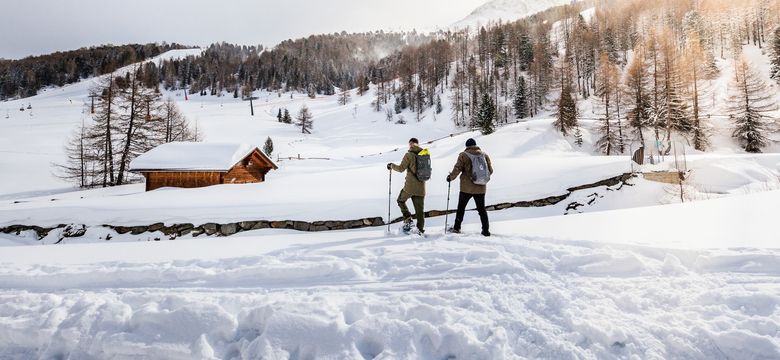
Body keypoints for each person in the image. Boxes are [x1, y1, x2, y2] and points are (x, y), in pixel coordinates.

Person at [446, 138, 493, 236]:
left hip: (466, 188)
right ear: (475, 145)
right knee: (482, 210)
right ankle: (485, 230)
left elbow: (457, 169)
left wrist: (450, 177)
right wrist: (480, 178)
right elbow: (490, 170)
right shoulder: (484, 155)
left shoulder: (463, 155)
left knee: (461, 208)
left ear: (467, 146)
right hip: (481, 187)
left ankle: (457, 228)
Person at [387, 138, 427, 233]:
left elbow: (401, 169)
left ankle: (408, 218)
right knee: (420, 212)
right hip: (421, 188)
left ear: (411, 144)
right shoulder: (425, 155)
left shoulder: (408, 155)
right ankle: (420, 230)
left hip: (409, 187)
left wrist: (391, 165)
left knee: (400, 200)